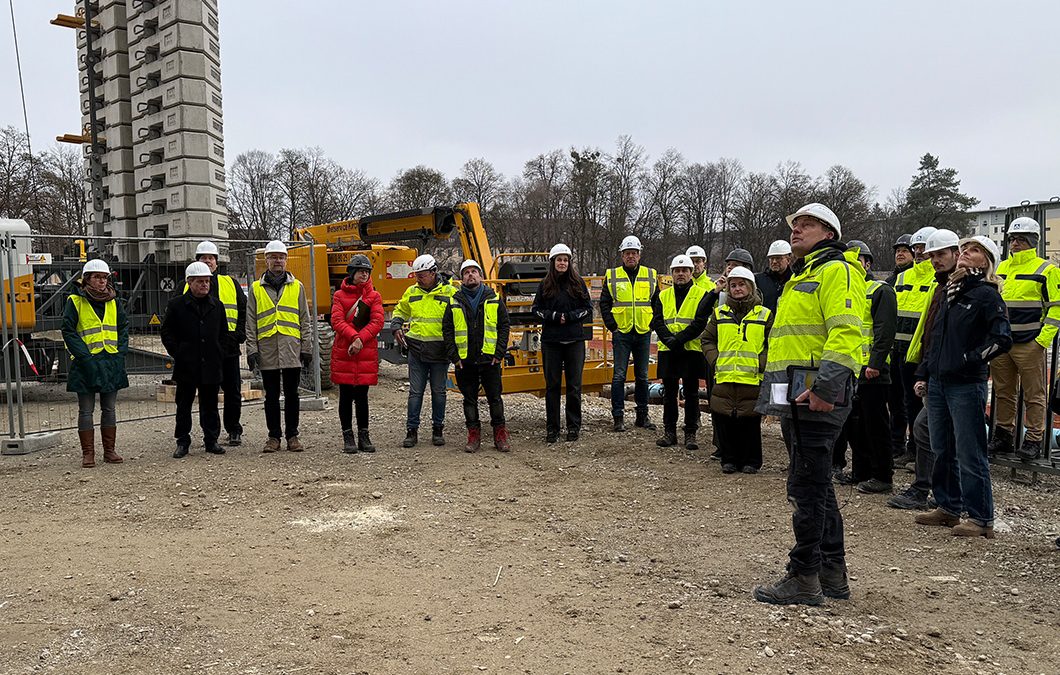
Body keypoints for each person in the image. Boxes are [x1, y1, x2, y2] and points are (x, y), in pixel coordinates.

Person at [753, 202, 865, 607]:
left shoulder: (838, 271)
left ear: (829, 234)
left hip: (816, 397)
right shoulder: (804, 275)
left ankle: (804, 577)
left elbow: (847, 334)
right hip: (797, 396)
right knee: (818, 485)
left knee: (807, 488)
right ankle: (832, 573)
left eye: (807, 224)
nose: (797, 229)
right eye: (796, 224)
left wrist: (826, 389)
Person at [913, 233, 1010, 538]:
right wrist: (925, 373)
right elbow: (937, 340)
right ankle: (948, 507)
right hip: (940, 384)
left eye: (975, 250)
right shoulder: (950, 293)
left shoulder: (986, 295)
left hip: (966, 385)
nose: (967, 253)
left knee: (970, 452)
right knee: (943, 448)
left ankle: (981, 519)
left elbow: (1002, 339)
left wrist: (970, 359)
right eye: (965, 248)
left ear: (988, 261)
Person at [988, 217, 1060, 460]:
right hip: (1002, 342)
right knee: (1003, 392)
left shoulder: (1047, 270)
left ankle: (1034, 439)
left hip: (1029, 343)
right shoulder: (1001, 269)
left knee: (1034, 394)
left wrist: (1042, 341)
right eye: (1012, 239)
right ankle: (1004, 436)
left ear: (1033, 241)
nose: (1015, 243)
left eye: (1020, 239)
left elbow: (1056, 308)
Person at [832, 241, 897, 494]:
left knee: (876, 425)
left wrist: (875, 364)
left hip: (873, 372)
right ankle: (861, 471)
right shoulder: (849, 291)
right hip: (852, 370)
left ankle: (882, 475)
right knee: (854, 425)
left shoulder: (881, 290)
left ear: (867, 263)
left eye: (855, 261)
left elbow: (884, 331)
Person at [702, 266, 772, 473]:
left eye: (742, 285)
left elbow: (773, 344)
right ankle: (729, 459)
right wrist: (716, 360)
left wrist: (761, 363)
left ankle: (751, 461)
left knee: (749, 421)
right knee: (725, 419)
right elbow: (706, 339)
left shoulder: (764, 315)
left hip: (751, 378)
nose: (737, 289)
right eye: (733, 285)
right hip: (725, 376)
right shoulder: (719, 313)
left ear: (751, 287)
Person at [246, 240, 313, 453]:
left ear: (286, 260)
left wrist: (307, 348)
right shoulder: (256, 289)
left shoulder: (297, 286)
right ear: (266, 260)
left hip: (291, 348)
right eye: (273, 257)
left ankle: (293, 436)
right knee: (271, 396)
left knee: (292, 394)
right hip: (267, 349)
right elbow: (250, 321)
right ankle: (273, 437)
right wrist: (252, 350)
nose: (277, 261)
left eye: (281, 257)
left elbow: (305, 318)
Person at [62, 259, 128, 468]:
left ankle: (109, 451)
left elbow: (123, 328)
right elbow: (68, 331)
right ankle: (88, 453)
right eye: (97, 277)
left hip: (110, 360)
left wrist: (120, 353)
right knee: (86, 410)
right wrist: (84, 356)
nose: (102, 281)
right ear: (87, 279)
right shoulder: (75, 301)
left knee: (109, 409)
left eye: (104, 277)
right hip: (86, 362)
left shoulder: (114, 301)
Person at [443, 259, 512, 452]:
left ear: (480, 276)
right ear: (462, 278)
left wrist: (499, 353)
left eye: (474, 271)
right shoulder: (454, 300)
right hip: (465, 360)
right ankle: (473, 435)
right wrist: (454, 357)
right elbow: (447, 330)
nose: (470, 275)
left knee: (495, 398)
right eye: (466, 272)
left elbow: (504, 326)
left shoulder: (494, 298)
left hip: (489, 359)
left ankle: (500, 435)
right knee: (469, 399)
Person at [162, 261, 228, 458]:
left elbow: (223, 333)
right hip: (186, 365)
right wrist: (179, 352)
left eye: (207, 281)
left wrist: (219, 352)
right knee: (184, 405)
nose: (205, 285)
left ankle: (211, 440)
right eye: (200, 281)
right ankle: (182, 441)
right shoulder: (176, 305)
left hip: (211, 363)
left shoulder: (217, 306)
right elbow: (167, 332)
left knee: (210, 405)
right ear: (189, 282)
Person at [392, 253, 457, 447]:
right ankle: (411, 431)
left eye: (422, 274)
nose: (419, 278)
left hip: (439, 352)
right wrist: (396, 325)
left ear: (434, 272)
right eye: (416, 275)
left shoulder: (450, 292)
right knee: (415, 393)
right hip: (417, 351)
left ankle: (438, 430)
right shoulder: (412, 292)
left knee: (439, 393)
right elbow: (401, 310)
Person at [532, 244, 593, 443]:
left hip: (575, 340)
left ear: (569, 262)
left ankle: (573, 427)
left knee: (574, 387)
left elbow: (588, 308)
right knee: (553, 386)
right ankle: (552, 429)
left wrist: (572, 316)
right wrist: (554, 316)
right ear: (553, 262)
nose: (562, 263)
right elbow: (536, 309)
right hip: (552, 342)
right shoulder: (545, 284)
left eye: (565, 260)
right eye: (559, 260)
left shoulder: (578, 283)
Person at [188, 240, 247, 446]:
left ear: (216, 262)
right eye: (203, 258)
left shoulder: (230, 283)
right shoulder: (188, 286)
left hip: (229, 347)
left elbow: (242, 310)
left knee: (233, 391)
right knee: (207, 394)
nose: (208, 261)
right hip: (204, 350)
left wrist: (239, 335)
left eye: (211, 258)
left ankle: (234, 429)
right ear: (197, 261)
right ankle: (210, 434)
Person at [651, 254, 710, 450]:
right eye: (677, 271)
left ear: (691, 273)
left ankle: (690, 433)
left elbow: (700, 322)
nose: (681, 274)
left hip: (690, 350)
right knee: (669, 393)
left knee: (691, 393)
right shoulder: (662, 295)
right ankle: (669, 432)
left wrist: (679, 339)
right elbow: (657, 321)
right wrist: (669, 340)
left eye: (684, 270)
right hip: (669, 350)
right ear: (672, 274)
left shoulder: (701, 294)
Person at [600, 235, 657, 432]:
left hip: (642, 331)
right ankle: (618, 417)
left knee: (642, 376)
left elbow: (656, 302)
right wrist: (612, 325)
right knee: (619, 376)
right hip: (622, 332)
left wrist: (651, 324)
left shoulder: (651, 275)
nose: (631, 256)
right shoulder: (613, 275)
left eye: (634, 253)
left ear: (639, 255)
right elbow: (604, 303)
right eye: (627, 253)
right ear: (622, 255)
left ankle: (642, 416)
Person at [891, 226, 937, 468]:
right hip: (898, 349)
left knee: (919, 403)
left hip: (920, 351)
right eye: (916, 248)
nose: (919, 253)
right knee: (901, 402)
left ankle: (919, 452)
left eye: (923, 248)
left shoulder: (937, 279)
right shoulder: (901, 278)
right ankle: (903, 448)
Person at [330, 254, 384, 454]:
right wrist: (355, 338)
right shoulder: (339, 296)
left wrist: (361, 340)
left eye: (367, 271)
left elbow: (377, 321)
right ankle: (348, 435)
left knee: (362, 396)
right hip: (346, 350)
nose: (364, 274)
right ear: (352, 273)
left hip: (364, 351)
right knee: (345, 395)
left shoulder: (374, 296)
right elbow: (336, 321)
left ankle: (364, 435)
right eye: (361, 271)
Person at [884, 233, 914, 474]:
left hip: (914, 352)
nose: (900, 253)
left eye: (905, 250)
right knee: (895, 401)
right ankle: (897, 446)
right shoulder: (895, 280)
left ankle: (913, 447)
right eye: (898, 250)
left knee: (910, 402)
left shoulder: (922, 278)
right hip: (894, 350)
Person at [755, 240, 793, 312]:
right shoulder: (758, 280)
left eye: (778, 258)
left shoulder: (795, 280)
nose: (774, 261)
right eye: (772, 258)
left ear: (788, 260)